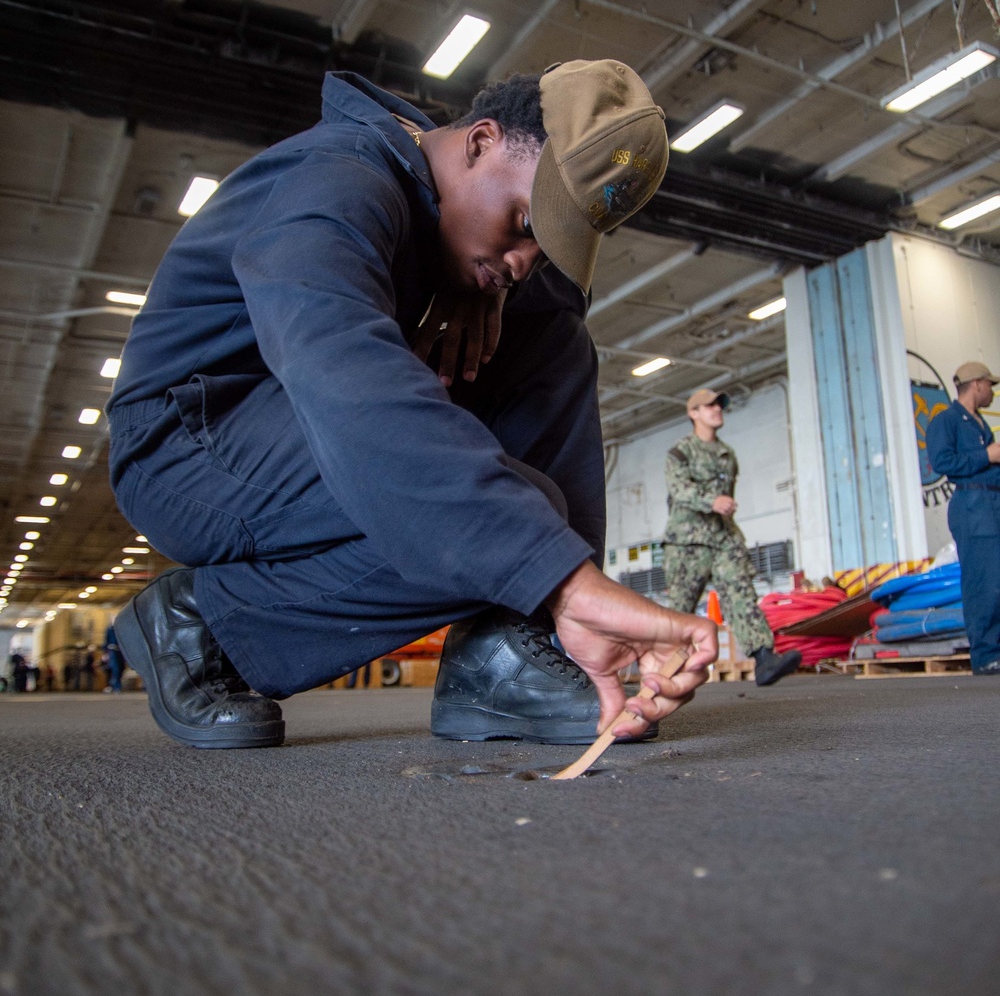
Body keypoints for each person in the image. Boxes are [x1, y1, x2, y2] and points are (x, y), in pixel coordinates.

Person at [107, 60, 718, 750]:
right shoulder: (335, 178)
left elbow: (511, 272)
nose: (520, 259)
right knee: (510, 514)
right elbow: (344, 382)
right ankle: (201, 622)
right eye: (522, 222)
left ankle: (505, 653)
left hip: (293, 424)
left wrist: (479, 276)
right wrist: (563, 580)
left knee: (552, 329)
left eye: (542, 248)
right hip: (190, 440)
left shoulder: (454, 211)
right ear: (480, 141)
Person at [661, 389, 801, 687]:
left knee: (742, 594)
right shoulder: (680, 452)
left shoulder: (728, 455)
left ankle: (764, 657)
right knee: (678, 611)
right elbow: (679, 490)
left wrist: (721, 509)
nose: (717, 409)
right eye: (709, 405)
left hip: (724, 538)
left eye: (719, 405)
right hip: (688, 541)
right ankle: (663, 670)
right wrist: (712, 500)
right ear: (693, 413)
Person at [926, 360, 1000, 675]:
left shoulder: (978, 423)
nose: (993, 392)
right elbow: (942, 461)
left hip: (991, 502)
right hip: (973, 505)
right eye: (990, 386)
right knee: (984, 582)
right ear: (976, 384)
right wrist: (988, 455)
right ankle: (986, 656)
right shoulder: (947, 421)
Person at [103, 623, 125, 693]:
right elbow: (106, 640)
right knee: (116, 668)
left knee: (121, 668)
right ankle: (116, 686)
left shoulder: (121, 629)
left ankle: (115, 685)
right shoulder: (110, 630)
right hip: (113, 650)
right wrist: (105, 652)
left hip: (121, 650)